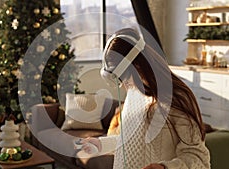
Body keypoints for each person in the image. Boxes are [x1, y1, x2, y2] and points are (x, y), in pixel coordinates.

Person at [80, 28, 211, 169]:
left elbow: (198, 158)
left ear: (137, 66)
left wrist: (164, 168)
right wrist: (101, 144)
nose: (123, 85)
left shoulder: (176, 99)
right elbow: (129, 142)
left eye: (123, 78)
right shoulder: (133, 93)